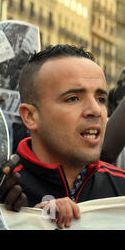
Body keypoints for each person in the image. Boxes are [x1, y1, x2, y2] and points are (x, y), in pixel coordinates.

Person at [15, 44, 125, 228]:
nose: (95, 110)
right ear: (30, 116)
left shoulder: (121, 188)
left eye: (101, 99)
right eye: (73, 98)